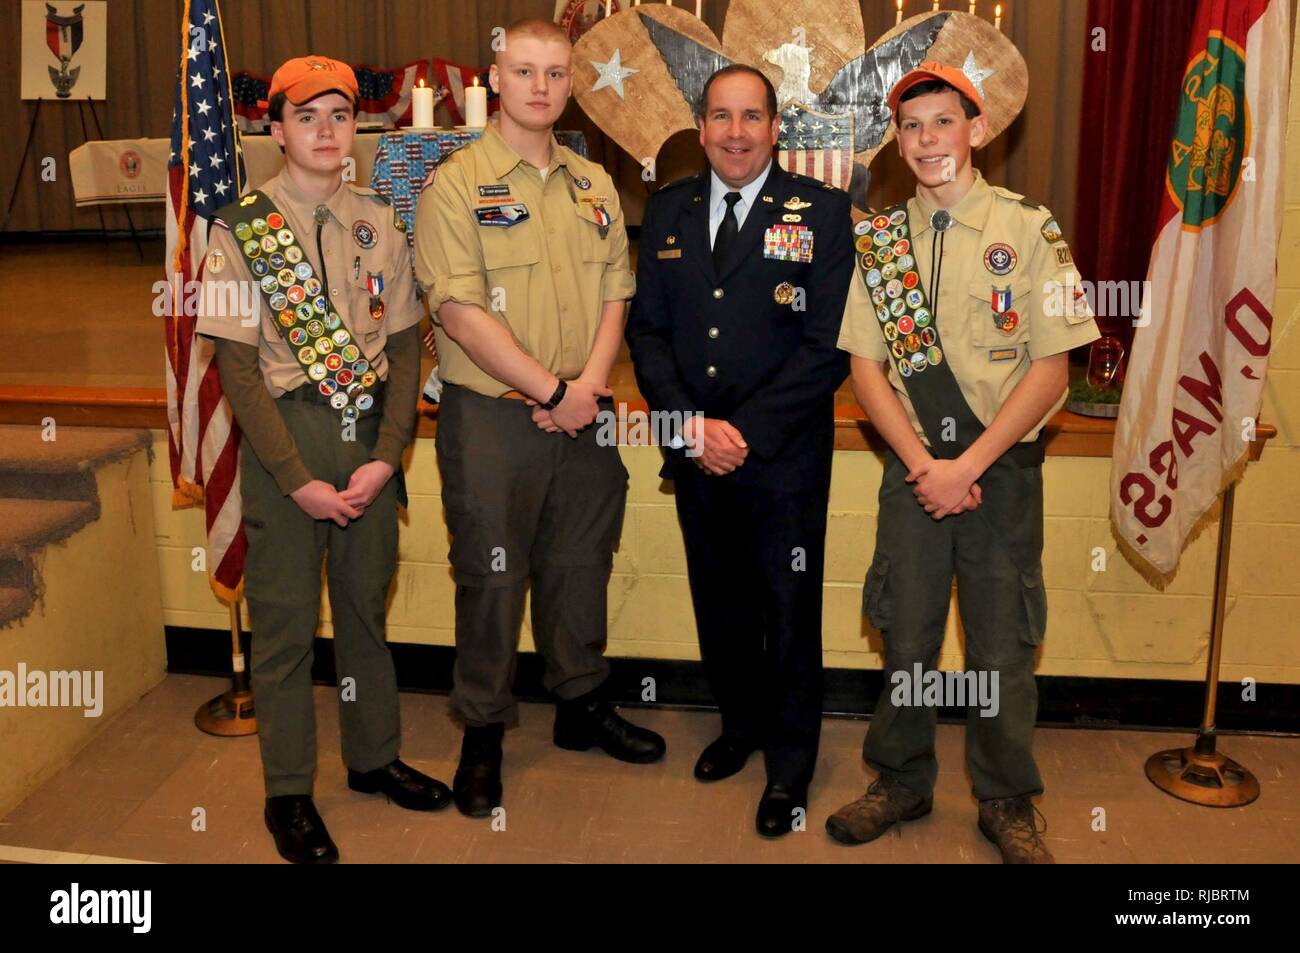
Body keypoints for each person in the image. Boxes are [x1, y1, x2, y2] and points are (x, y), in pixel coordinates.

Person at [826, 62, 1100, 863]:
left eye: (942, 122)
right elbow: (866, 369)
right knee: (906, 634)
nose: (926, 140)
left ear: (975, 131)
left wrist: (967, 463)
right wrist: (924, 464)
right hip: (914, 472)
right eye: (910, 128)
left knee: (1002, 644)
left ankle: (1006, 797)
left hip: (1000, 472)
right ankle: (902, 777)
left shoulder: (1030, 230)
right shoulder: (881, 243)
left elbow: (1053, 368)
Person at [197, 55, 450, 865]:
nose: (327, 130)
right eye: (307, 116)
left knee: (366, 612)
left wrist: (387, 455)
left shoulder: (381, 219)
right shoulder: (241, 230)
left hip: (368, 436)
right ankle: (290, 791)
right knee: (282, 628)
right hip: (289, 440)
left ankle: (374, 756)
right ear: (275, 129)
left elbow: (408, 347)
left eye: (340, 115)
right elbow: (237, 370)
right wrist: (297, 478)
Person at [414, 18, 665, 819]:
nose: (542, 88)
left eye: (557, 74)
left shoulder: (592, 185)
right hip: (495, 416)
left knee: (579, 560)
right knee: (491, 576)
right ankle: (483, 727)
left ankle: (582, 703)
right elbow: (457, 312)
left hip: (584, 405)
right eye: (526, 72)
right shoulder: (455, 184)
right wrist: (554, 395)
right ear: (496, 76)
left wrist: (588, 384)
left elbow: (615, 292)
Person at [625, 65, 853, 837]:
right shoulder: (667, 213)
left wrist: (741, 430)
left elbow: (829, 349)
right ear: (700, 124)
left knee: (788, 610)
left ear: (775, 127)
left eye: (751, 116)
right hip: (695, 452)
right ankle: (739, 725)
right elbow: (648, 334)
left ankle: (790, 764)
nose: (735, 132)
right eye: (720, 116)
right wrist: (693, 427)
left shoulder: (822, 213)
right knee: (718, 599)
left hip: (783, 457)